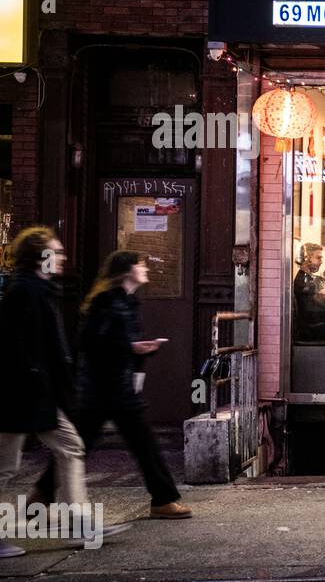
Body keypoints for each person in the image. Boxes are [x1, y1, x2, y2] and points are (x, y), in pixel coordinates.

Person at [33, 251, 192, 519]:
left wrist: (142, 352)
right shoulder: (106, 302)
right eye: (140, 264)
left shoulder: (128, 302)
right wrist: (132, 348)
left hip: (114, 389)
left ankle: (41, 494)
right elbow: (92, 343)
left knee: (117, 444)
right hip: (103, 389)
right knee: (139, 445)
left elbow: (123, 344)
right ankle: (163, 500)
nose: (145, 268)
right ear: (127, 270)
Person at [0, 228, 90, 556]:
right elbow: (18, 347)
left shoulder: (36, 288)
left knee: (71, 447)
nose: (63, 258)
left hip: (34, 395)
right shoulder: (25, 290)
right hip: (20, 395)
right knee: (5, 466)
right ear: (40, 256)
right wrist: (40, 378)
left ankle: (80, 525)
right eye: (56, 252)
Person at [293, 243, 325, 342]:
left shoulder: (318, 279)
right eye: (318, 258)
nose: (321, 262)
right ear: (307, 259)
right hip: (314, 328)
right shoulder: (303, 281)